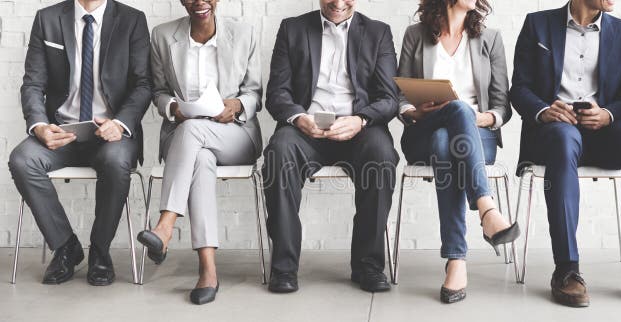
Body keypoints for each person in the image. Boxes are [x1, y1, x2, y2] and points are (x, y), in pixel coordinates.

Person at [510, 0, 621, 307]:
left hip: (603, 131)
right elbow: (520, 88)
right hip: (554, 131)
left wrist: (607, 114)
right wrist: (544, 110)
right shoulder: (536, 25)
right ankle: (566, 269)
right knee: (564, 137)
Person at [8, 0, 151, 286]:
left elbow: (143, 83)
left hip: (110, 133)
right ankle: (65, 247)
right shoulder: (47, 18)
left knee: (116, 161)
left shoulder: (132, 19)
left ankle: (100, 251)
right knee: (22, 160)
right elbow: (33, 83)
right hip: (62, 131)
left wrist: (120, 123)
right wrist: (39, 126)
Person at [262, 0, 399, 294]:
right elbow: (277, 93)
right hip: (305, 128)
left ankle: (368, 265)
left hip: (358, 128)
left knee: (383, 155)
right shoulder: (292, 28)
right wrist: (299, 118)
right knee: (278, 152)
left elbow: (389, 98)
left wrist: (361, 119)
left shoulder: (378, 32)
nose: (338, 3)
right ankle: (284, 268)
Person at [136, 0, 262, 305]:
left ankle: (165, 226)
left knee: (193, 132)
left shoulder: (244, 33)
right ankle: (208, 270)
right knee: (200, 157)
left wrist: (236, 105)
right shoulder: (164, 36)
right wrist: (174, 108)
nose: (199, 1)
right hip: (185, 137)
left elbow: (255, 91)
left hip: (235, 135)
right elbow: (159, 90)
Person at [397, 0, 518, 304]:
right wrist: (415, 110)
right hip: (423, 129)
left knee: (446, 138)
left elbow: (502, 105)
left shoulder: (490, 39)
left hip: (477, 136)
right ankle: (487, 210)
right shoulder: (416, 35)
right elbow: (399, 97)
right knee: (451, 117)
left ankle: (456, 260)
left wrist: (481, 118)